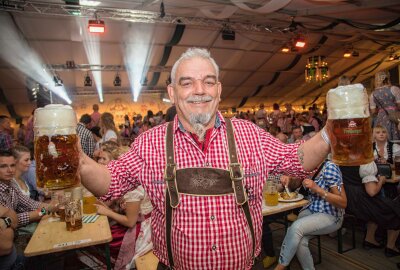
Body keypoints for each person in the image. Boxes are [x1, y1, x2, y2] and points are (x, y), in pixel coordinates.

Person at [78, 48, 331, 270]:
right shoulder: (149, 143)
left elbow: (297, 159)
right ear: (172, 92)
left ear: (219, 90)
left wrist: (330, 133)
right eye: (187, 83)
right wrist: (76, 160)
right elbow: (109, 182)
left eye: (209, 82)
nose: (199, 90)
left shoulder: (250, 134)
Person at [275, 161, 347, 270]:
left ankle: (280, 267)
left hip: (331, 215)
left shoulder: (330, 167)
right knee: (298, 239)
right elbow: (294, 186)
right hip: (311, 209)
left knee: (295, 228)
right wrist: (288, 179)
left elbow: (343, 202)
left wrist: (317, 189)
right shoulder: (307, 167)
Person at [95, 141, 152, 269]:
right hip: (137, 219)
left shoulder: (132, 188)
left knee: (107, 239)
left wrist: (107, 212)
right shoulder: (125, 183)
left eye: (107, 161)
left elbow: (130, 222)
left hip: (141, 227)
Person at [339, 162, 400, 257]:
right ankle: (390, 247)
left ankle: (370, 239)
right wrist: (381, 181)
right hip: (360, 202)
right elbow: (372, 192)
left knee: (378, 204)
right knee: (395, 208)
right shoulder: (366, 162)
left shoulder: (341, 158)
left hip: (346, 199)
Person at [0, 150, 56, 228]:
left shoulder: (11, 183)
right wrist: (46, 210)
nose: (10, 170)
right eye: (3, 166)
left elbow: (30, 204)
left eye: (12, 165)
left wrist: (53, 207)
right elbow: (14, 220)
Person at [370, 70, 400, 140]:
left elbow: (373, 111)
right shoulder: (394, 89)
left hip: (380, 118)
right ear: (387, 78)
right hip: (395, 117)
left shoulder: (373, 94)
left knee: (383, 138)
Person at [373, 125, 400, 198]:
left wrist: (388, 164)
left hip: (391, 179)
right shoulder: (370, 148)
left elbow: (398, 167)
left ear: (387, 134)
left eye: (383, 132)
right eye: (378, 132)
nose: (381, 134)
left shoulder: (394, 147)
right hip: (375, 179)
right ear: (374, 135)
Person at [0, 205, 18, 270]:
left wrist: (45, 210)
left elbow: (15, 220)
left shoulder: (15, 194)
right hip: (25, 232)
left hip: (15, 259)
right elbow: (5, 245)